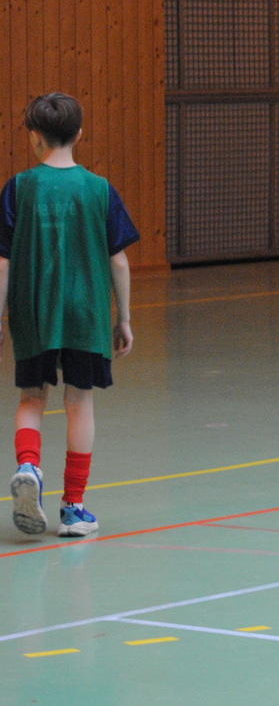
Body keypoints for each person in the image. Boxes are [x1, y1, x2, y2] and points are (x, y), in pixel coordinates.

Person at [2, 93, 139, 538]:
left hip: (34, 311)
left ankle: (29, 466)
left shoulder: (18, 188)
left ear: (33, 137)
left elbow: (3, 262)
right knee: (80, 402)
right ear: (79, 134)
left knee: (31, 398)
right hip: (86, 312)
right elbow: (119, 261)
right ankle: (73, 508)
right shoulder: (100, 189)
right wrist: (124, 318)